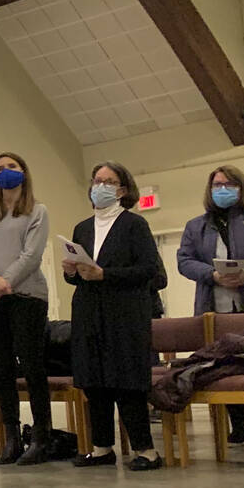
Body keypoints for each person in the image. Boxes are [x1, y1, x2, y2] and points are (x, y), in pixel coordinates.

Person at [63, 162, 162, 470]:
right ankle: (102, 447)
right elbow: (81, 275)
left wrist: (105, 274)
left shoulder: (134, 225)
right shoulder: (82, 227)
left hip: (125, 313)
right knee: (95, 382)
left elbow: (149, 270)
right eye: (96, 180)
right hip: (89, 312)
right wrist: (71, 272)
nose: (100, 185)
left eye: (108, 181)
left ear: (121, 190)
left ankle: (146, 451)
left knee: (126, 382)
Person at [0, 152, 51, 466]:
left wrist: (4, 284)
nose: (5, 172)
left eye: (12, 167)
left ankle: (41, 436)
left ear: (23, 172)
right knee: (2, 369)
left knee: (32, 366)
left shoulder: (36, 211)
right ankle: (12, 437)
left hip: (27, 295)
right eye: (0, 168)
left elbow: (32, 255)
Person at [176, 165, 244, 444]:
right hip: (215, 307)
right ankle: (236, 425)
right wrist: (211, 275)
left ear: (240, 187)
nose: (222, 189)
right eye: (217, 185)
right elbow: (184, 261)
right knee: (224, 365)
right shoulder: (196, 226)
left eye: (228, 184)